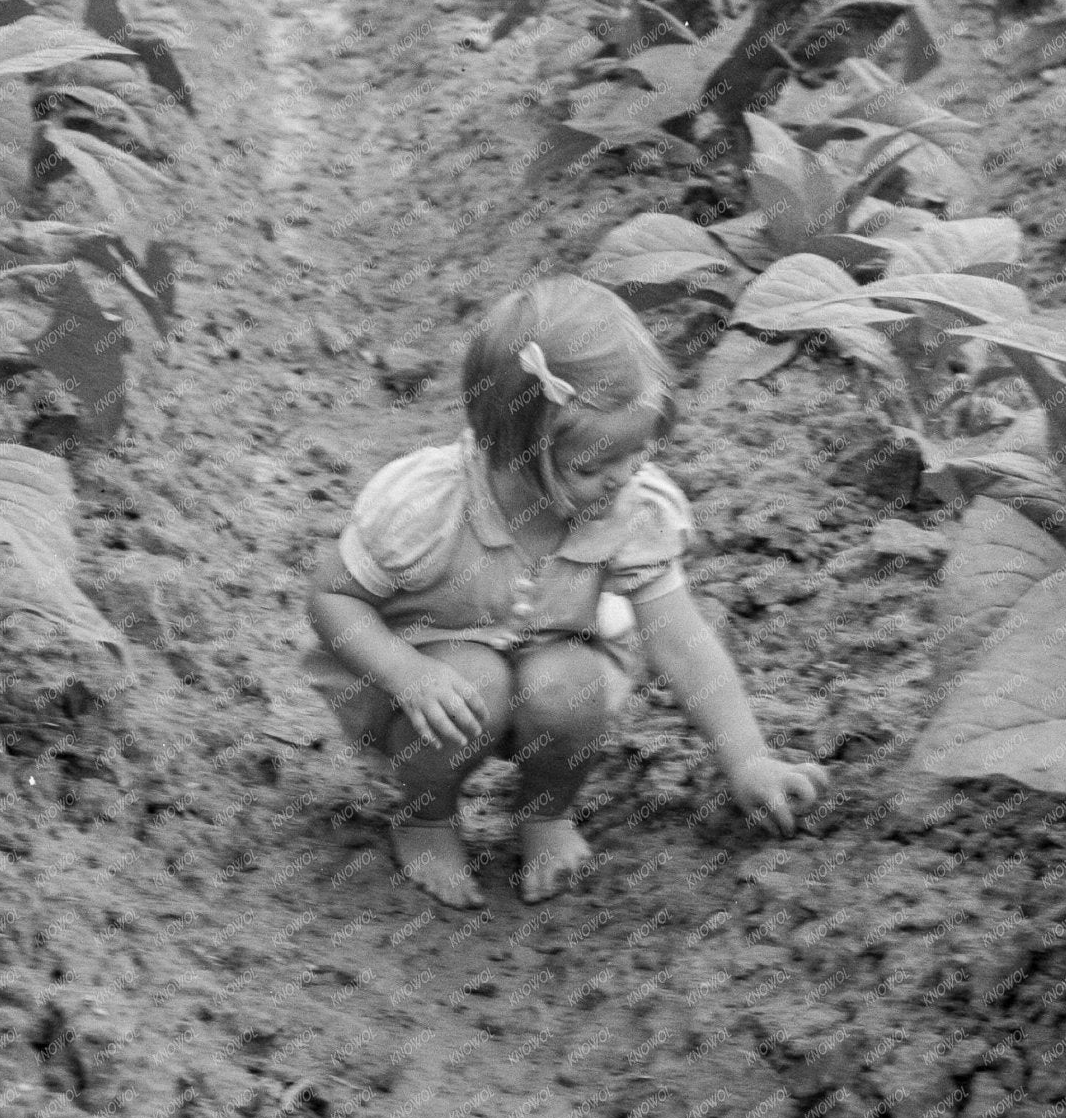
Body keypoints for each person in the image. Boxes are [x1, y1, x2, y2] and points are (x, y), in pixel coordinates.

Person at [303, 275, 828, 909]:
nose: (620, 481)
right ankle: (427, 817)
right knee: (474, 680)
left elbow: (682, 641)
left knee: (572, 686)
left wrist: (747, 758)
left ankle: (545, 814)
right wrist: (405, 672)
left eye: (635, 457)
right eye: (592, 467)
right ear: (510, 446)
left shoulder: (631, 509)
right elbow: (332, 597)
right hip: (427, 679)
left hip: (551, 659)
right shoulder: (428, 505)